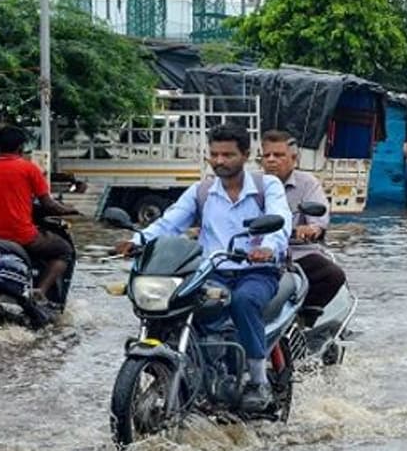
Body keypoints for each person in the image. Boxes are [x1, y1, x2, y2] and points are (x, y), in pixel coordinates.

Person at [114, 123, 290, 412]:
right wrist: (136, 241)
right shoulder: (202, 191)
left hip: (256, 270)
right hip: (212, 271)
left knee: (244, 300)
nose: (220, 161)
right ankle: (188, 368)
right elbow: (169, 223)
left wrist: (267, 247)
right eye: (215, 155)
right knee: (177, 304)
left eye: (228, 155)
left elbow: (279, 218)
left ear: (245, 155)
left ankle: (258, 381)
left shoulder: (266, 186)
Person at [0, 125, 79, 308]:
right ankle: (40, 292)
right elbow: (48, 205)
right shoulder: (28, 169)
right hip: (22, 236)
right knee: (64, 250)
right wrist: (69, 210)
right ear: (21, 148)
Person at [260, 129, 347, 316]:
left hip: (297, 253)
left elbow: (318, 219)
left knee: (333, 275)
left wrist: (311, 229)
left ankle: (304, 318)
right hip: (257, 255)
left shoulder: (307, 183)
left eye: (279, 155)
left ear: (294, 159)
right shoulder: (252, 183)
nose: (271, 160)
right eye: (267, 155)